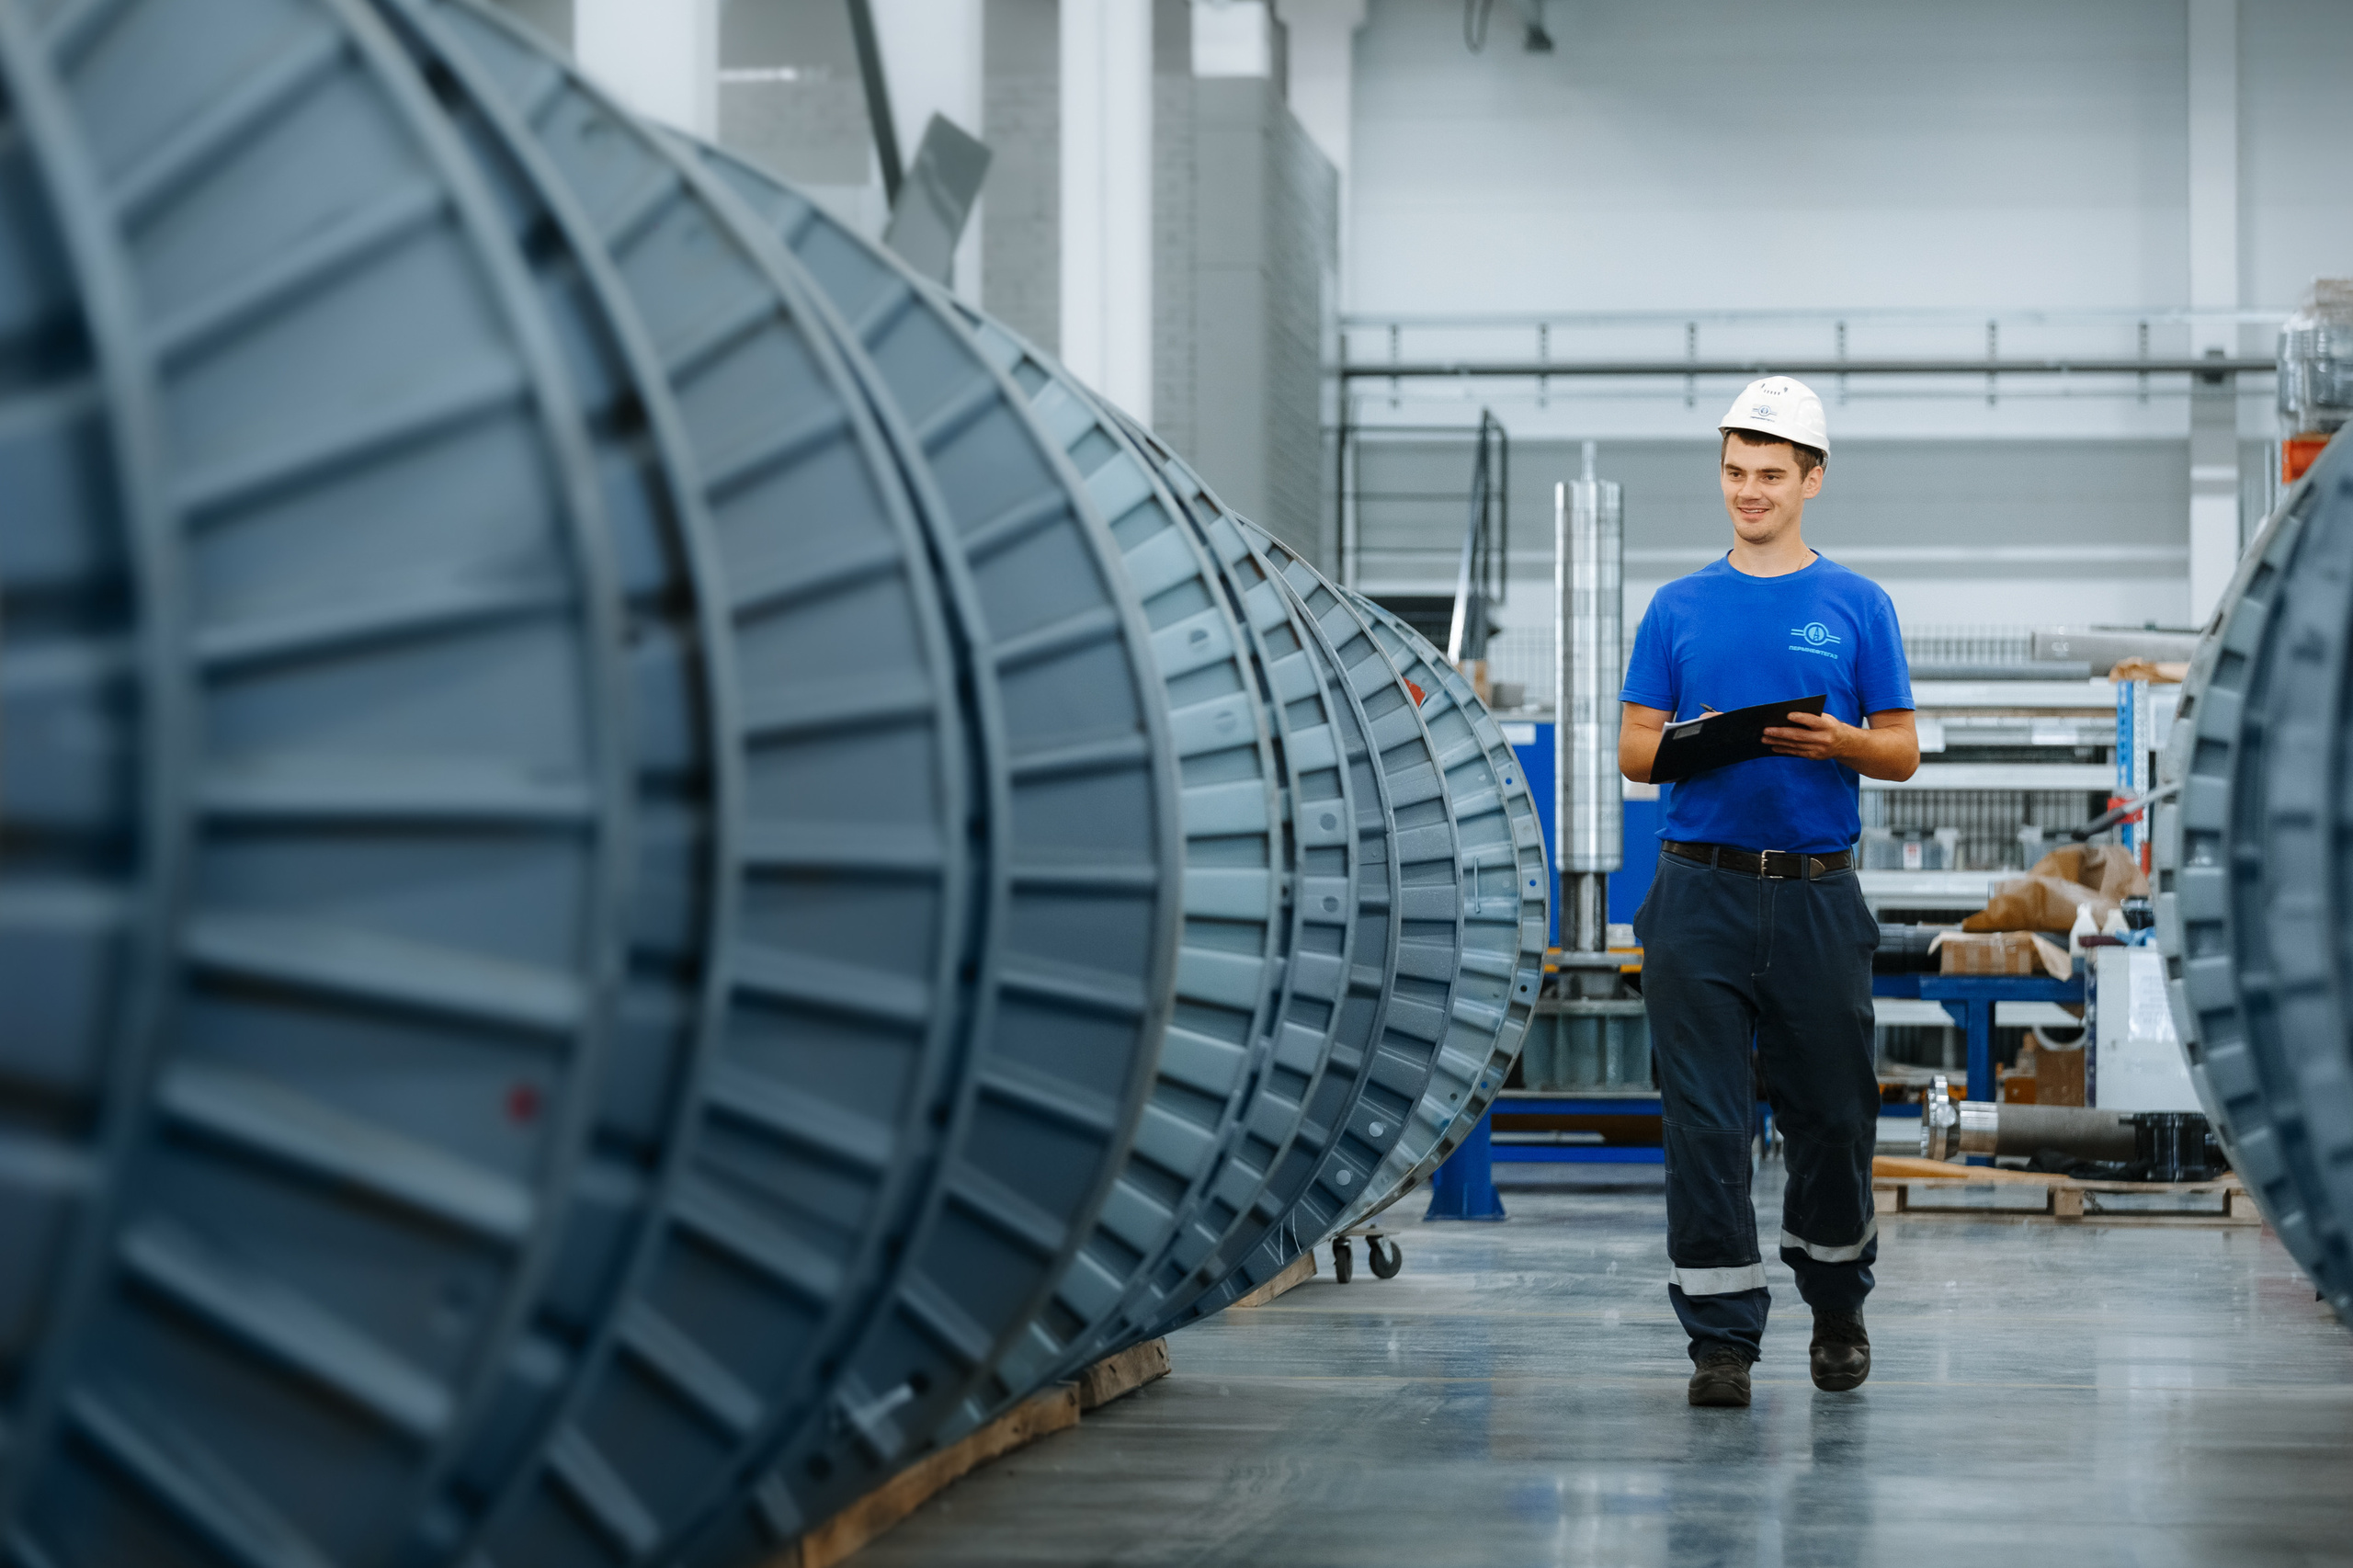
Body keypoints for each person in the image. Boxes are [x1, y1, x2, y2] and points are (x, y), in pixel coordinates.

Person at [1617, 376, 1919, 1409]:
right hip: (1697, 892)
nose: (1748, 491)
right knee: (1703, 1124)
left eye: (1769, 475)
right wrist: (1699, 742)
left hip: (1816, 897)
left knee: (1833, 1111)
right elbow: (1632, 750)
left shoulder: (1857, 605)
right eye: (1734, 472)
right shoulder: (1675, 607)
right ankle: (1720, 1339)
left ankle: (1837, 1304)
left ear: (1812, 479)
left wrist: (1837, 739)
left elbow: (1903, 749)